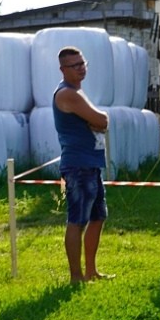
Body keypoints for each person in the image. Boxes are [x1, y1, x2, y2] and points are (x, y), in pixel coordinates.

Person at [53, 47, 110, 285]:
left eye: (82, 63)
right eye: (74, 65)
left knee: (98, 217)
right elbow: (102, 120)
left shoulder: (77, 91)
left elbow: (98, 123)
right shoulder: (68, 94)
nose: (80, 68)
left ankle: (91, 271)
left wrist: (96, 122)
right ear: (63, 70)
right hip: (78, 165)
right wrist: (96, 121)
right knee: (77, 220)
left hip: (91, 163)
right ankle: (76, 276)